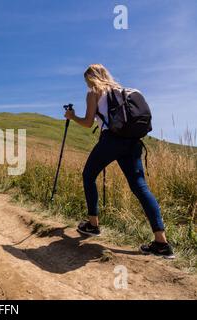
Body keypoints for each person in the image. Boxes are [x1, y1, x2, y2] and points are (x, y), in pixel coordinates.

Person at [64, 64, 174, 259]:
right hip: (133, 142)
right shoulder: (126, 91)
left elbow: (88, 122)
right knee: (140, 187)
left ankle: (93, 225)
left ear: (90, 78)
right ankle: (161, 243)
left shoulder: (94, 92)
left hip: (112, 141)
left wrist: (72, 117)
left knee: (88, 175)